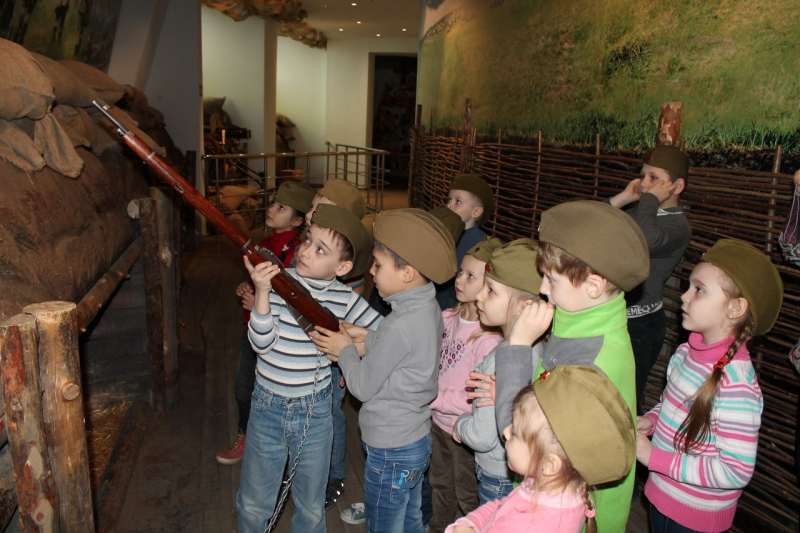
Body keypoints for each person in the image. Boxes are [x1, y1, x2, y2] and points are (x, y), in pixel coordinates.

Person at [492, 200, 649, 532]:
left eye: (551, 280)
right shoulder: (582, 321)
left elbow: (518, 431)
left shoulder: (593, 361)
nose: (541, 289)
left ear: (593, 285)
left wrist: (518, 346)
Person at [236, 204, 383, 533]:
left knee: (311, 505)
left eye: (321, 249)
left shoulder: (345, 299)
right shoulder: (279, 283)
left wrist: (354, 346)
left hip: (314, 411)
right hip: (267, 405)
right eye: (307, 240)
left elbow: (386, 335)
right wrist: (263, 293)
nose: (305, 251)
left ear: (342, 267)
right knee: (254, 502)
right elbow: (261, 343)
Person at [313, 208, 457, 533]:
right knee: (411, 520)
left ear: (406, 273)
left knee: (384, 525)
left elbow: (362, 386)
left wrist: (345, 350)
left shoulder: (399, 325)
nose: (371, 271)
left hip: (391, 447)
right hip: (415, 441)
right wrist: (368, 337)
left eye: (378, 264)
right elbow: (405, 352)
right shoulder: (427, 308)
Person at [637, 239, 782, 532]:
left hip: (695, 518)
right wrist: (651, 421)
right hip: (661, 495)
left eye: (699, 289)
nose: (684, 296)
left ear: (735, 308)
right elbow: (671, 406)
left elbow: (735, 471)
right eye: (689, 286)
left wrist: (654, 458)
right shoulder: (684, 354)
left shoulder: (736, 387)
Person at [446, 365, 636, 533]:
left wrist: (461, 528)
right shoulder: (551, 485)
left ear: (550, 464)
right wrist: (470, 522)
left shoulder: (528, 524)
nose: (506, 432)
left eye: (515, 432)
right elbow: (501, 507)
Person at [216, 180, 314, 465]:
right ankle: (246, 437)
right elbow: (260, 282)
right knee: (243, 388)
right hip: (252, 328)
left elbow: (298, 299)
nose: (271, 209)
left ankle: (278, 448)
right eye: (273, 203)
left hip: (279, 333)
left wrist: (261, 302)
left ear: (297, 221)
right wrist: (247, 288)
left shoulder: (298, 254)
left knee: (271, 394)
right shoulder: (265, 244)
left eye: (281, 207)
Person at [289, 177, 367, 508]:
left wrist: (350, 361)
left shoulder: (347, 277)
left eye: (323, 208)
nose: (312, 213)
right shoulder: (307, 248)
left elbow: (354, 322)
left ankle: (333, 474)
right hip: (306, 353)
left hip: (332, 355)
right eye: (313, 205)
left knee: (330, 414)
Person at [454, 239, 545, 506]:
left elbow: (482, 437)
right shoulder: (536, 348)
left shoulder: (499, 361)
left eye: (491, 290)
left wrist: (460, 425)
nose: (479, 296)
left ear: (522, 307)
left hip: (497, 474)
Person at [608, 145, 692, 411]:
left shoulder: (678, 226)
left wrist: (649, 200)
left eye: (654, 178)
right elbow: (590, 226)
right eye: (642, 175)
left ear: (677, 186)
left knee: (623, 401)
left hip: (640, 326)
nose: (644, 184)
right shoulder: (639, 213)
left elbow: (644, 240)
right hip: (612, 314)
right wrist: (622, 198)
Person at [429, 237, 503, 532]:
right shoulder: (447, 317)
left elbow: (475, 398)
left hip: (466, 433)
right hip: (438, 424)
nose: (459, 279)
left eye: (471, 276)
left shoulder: (488, 340)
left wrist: (432, 397)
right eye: (461, 271)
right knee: (439, 485)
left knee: (468, 494)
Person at [437, 174, 496, 310]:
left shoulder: (481, 244)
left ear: (476, 212)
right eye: (449, 200)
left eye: (458, 201)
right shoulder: (442, 233)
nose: (449, 205)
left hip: (458, 297)